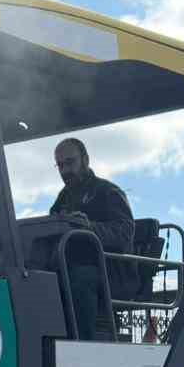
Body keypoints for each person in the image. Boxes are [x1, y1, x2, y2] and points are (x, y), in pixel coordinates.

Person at [50, 138, 135, 341]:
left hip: (109, 269)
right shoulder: (63, 198)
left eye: (70, 163)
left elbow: (124, 234)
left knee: (80, 279)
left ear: (85, 160)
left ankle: (83, 344)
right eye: (60, 165)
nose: (65, 171)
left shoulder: (107, 192)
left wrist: (88, 227)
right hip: (70, 265)